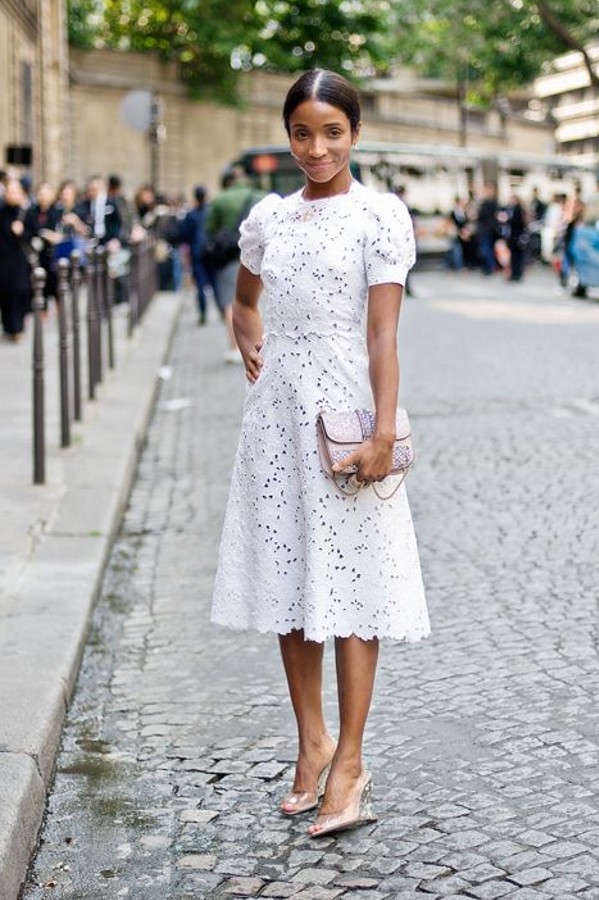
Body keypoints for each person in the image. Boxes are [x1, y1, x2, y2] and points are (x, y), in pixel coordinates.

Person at [211, 69, 430, 838]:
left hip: (346, 414)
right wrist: (252, 344)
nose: (315, 147)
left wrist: (379, 430)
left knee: (353, 587)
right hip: (275, 421)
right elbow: (243, 301)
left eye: (331, 132)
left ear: (355, 134)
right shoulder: (271, 219)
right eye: (301, 132)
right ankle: (311, 743)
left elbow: (382, 334)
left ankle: (351, 762)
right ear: (288, 134)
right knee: (290, 577)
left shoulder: (379, 216)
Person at [204, 165, 263, 362]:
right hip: (262, 257)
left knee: (233, 302)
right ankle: (259, 346)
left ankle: (236, 347)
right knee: (259, 301)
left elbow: (210, 230)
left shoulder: (221, 200)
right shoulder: (262, 197)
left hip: (231, 257)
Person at [179, 185, 222, 325]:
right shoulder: (212, 212)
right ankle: (222, 311)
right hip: (211, 252)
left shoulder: (191, 214)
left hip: (197, 253)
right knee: (215, 284)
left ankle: (203, 313)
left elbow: (184, 235)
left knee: (201, 285)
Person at [0, 178, 33, 341]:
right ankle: (9, 327)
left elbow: (32, 234)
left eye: (14, 192)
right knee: (5, 294)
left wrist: (22, 232)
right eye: (8, 191)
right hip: (3, 259)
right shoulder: (2, 210)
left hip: (19, 260)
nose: (10, 195)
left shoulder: (25, 213)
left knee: (18, 292)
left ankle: (17, 327)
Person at [477, 183, 499, 275]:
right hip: (485, 230)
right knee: (485, 249)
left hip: (487, 230)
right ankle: (488, 266)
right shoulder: (485, 202)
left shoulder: (491, 203)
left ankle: (490, 266)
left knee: (486, 249)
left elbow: (492, 217)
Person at [505, 194, 527, 282]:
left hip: (516, 238)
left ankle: (516, 274)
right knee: (515, 257)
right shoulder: (516, 209)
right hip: (515, 237)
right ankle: (515, 273)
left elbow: (517, 223)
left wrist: (507, 219)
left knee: (516, 257)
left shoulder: (517, 210)